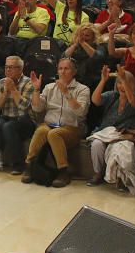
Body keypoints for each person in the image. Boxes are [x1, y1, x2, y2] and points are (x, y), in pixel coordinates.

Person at [22, 57, 90, 188]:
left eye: (66, 68)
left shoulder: (82, 89)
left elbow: (81, 112)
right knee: (42, 130)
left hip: (72, 127)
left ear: (74, 72)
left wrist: (66, 93)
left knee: (54, 134)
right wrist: (36, 90)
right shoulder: (49, 87)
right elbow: (37, 108)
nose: (63, 72)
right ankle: (29, 165)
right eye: (60, 68)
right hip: (50, 124)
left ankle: (63, 172)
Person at [86, 66, 135, 191]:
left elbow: (133, 102)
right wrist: (103, 80)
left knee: (122, 148)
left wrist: (124, 79)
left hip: (124, 135)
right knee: (96, 144)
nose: (122, 86)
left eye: (126, 83)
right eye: (120, 83)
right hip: (107, 132)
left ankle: (123, 178)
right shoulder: (112, 96)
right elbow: (95, 100)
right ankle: (98, 173)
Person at [0, 55, 36, 174]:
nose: (8, 70)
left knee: (8, 127)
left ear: (20, 69)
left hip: (26, 120)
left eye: (12, 68)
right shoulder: (1, 82)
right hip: (7, 117)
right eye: (6, 67)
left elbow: (24, 106)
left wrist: (13, 90)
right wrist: (5, 92)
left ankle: (18, 165)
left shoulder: (29, 83)